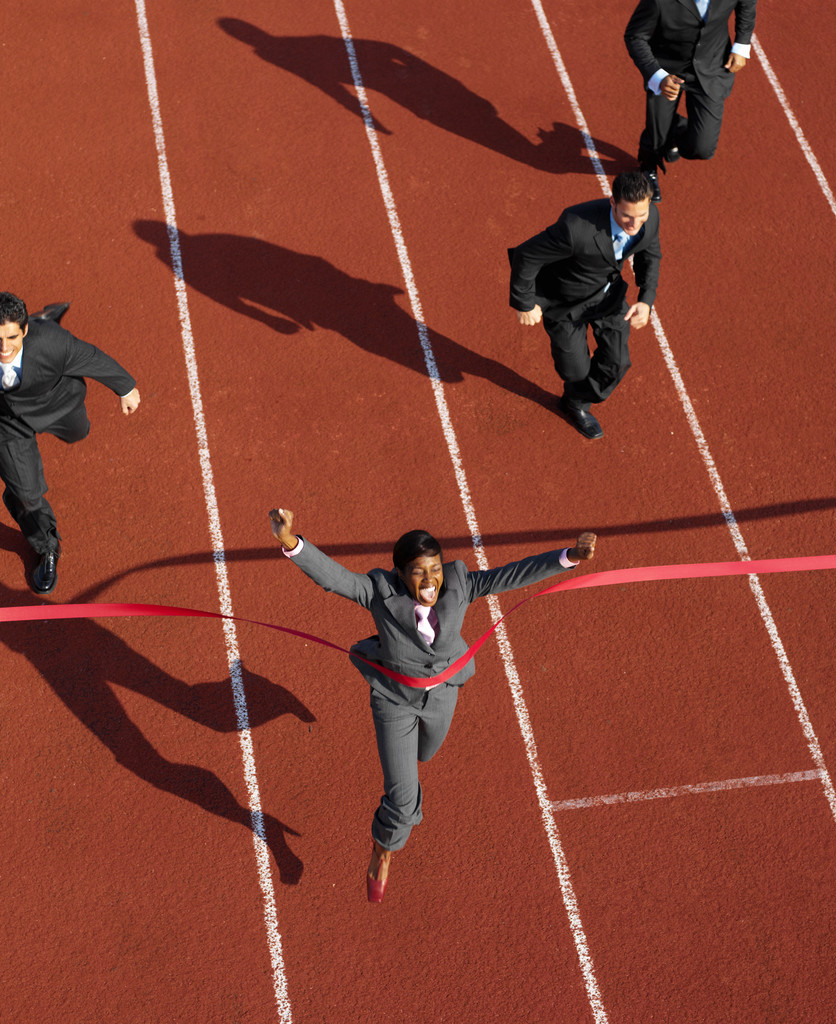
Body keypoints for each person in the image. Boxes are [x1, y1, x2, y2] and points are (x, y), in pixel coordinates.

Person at [268, 507, 597, 903]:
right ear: (401, 575)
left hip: (444, 693)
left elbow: (511, 574)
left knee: (427, 754)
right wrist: (291, 542)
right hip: (395, 701)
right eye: (420, 572)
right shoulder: (378, 591)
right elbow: (335, 578)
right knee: (403, 795)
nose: (431, 580)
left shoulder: (458, 582)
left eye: (436, 568)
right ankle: (384, 847)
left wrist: (570, 557)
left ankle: (405, 800)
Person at [0, 292, 141, 593]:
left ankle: (42, 319)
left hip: (56, 403)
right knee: (24, 492)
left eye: (12, 336)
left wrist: (125, 387)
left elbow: (92, 358)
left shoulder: (54, 345)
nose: (4, 347)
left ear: (24, 331)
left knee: (79, 433)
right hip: (4, 418)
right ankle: (46, 546)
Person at [508, 170, 660, 440]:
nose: (635, 224)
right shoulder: (575, 227)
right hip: (565, 303)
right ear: (612, 202)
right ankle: (575, 391)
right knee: (575, 371)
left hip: (608, 298)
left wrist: (646, 299)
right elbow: (526, 255)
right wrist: (524, 302)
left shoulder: (649, 218)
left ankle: (575, 404)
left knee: (617, 363)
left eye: (641, 215)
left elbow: (650, 252)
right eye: (627, 216)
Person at [624, 0, 757, 202]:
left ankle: (671, 128)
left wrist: (742, 44)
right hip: (667, 70)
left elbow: (747, 3)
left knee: (702, 148)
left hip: (712, 66)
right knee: (657, 137)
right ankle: (648, 165)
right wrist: (658, 77)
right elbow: (635, 36)